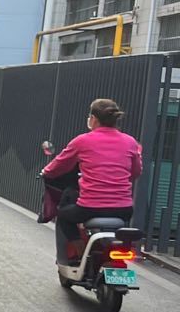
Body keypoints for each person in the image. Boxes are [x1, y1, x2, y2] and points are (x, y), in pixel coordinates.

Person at [41, 97, 143, 264]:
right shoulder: (130, 142)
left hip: (90, 207)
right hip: (123, 209)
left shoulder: (82, 141)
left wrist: (46, 172)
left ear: (93, 119)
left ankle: (80, 251)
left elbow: (58, 166)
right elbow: (136, 172)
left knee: (64, 215)